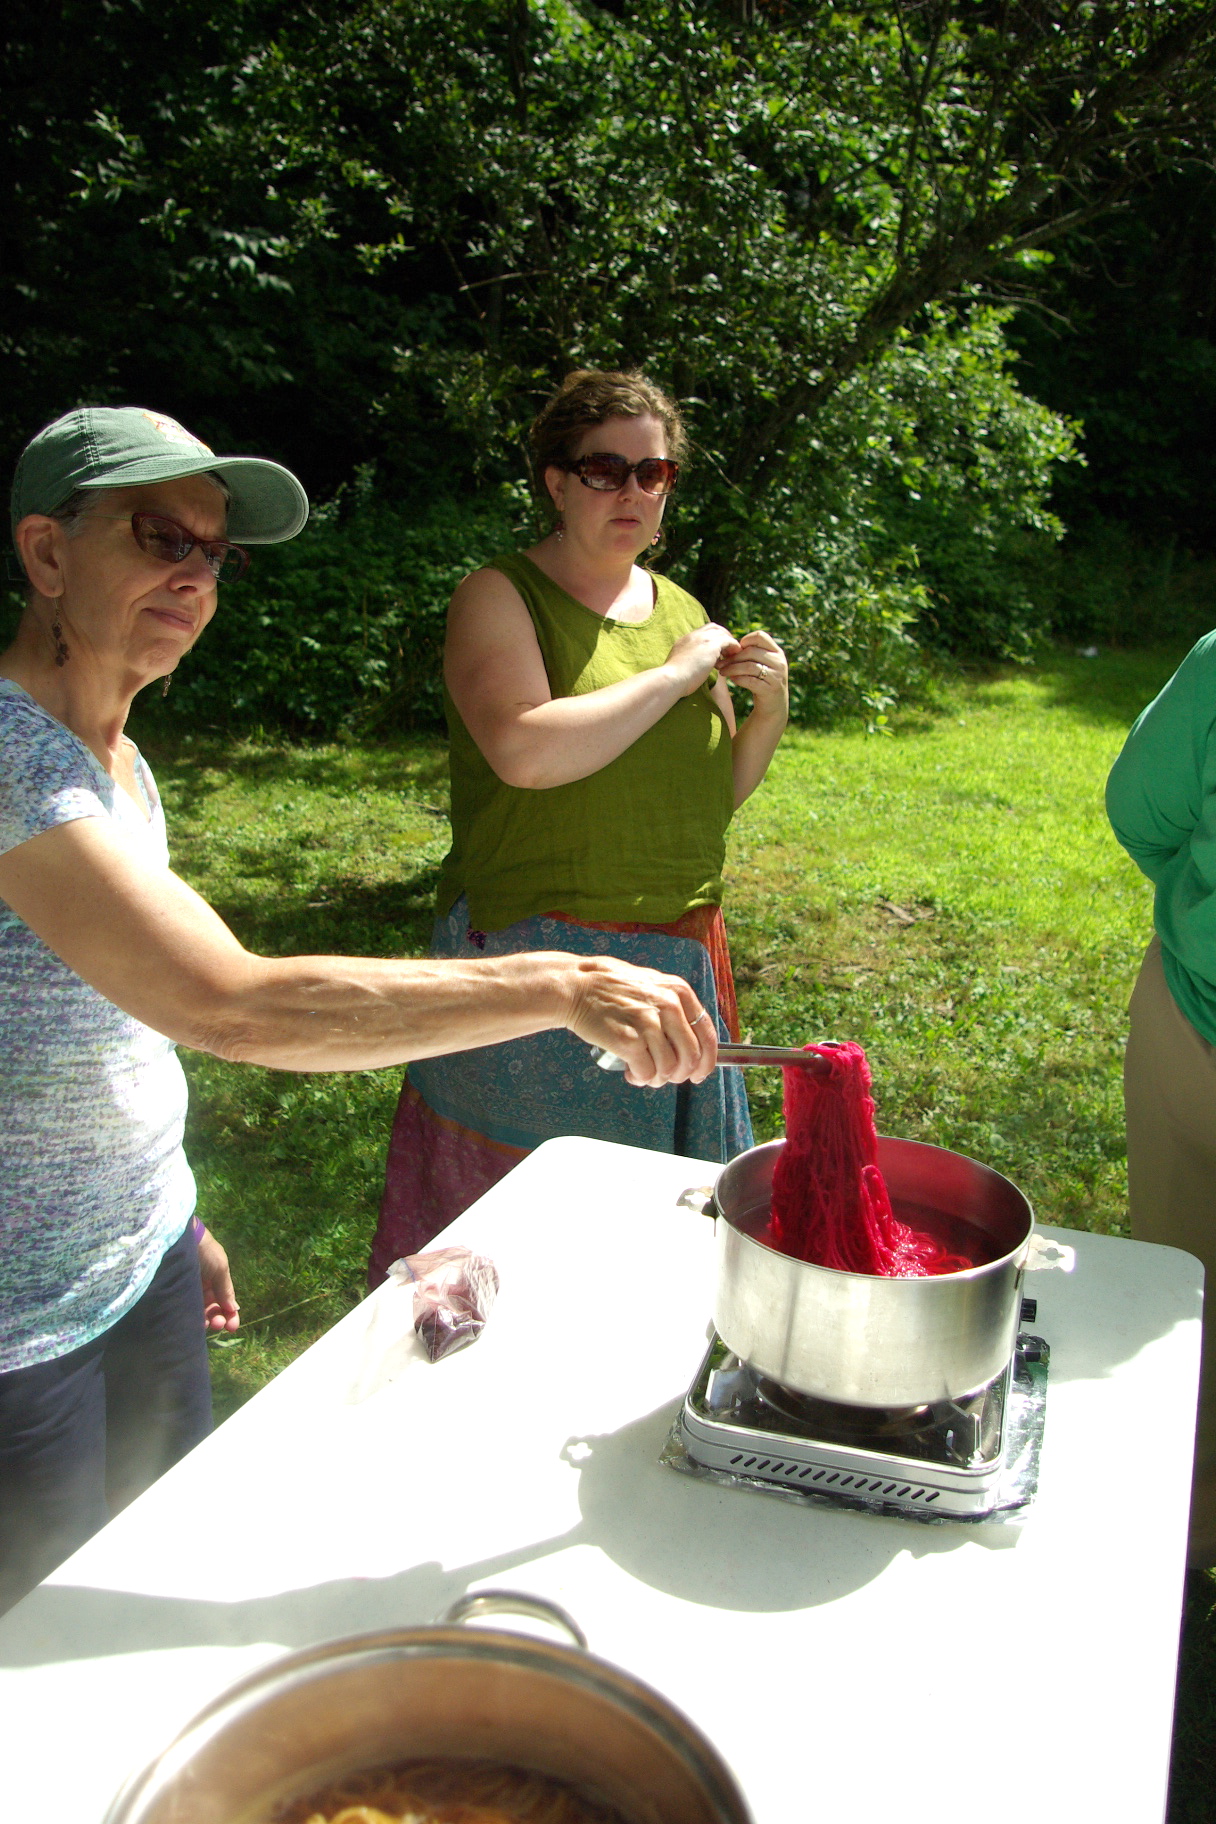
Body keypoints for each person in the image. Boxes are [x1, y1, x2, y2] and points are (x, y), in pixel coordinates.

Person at [0, 405, 717, 1614]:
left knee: (151, 1563)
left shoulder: (110, 754)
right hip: (22, 1321)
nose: (195, 576)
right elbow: (227, 1004)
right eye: (160, 538)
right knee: (40, 1638)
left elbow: (116, 1023)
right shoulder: (16, 765)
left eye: (214, 553)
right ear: (47, 552)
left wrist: (177, 1215)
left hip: (138, 1255)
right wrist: (554, 984)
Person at [373, 370, 788, 1283]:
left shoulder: (682, 612)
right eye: (605, 469)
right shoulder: (501, 595)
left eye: (653, 472)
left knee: (645, 1242)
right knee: (520, 1240)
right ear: (556, 482)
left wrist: (767, 717)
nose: (632, 491)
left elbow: (699, 801)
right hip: (537, 957)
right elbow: (525, 750)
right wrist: (674, 677)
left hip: (677, 956)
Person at [1107, 633, 1216, 1567]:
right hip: (1194, 1019)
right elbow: (1143, 811)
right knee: (1180, 1296)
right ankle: (1189, 1530)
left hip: (1193, 1010)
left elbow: (1146, 818)